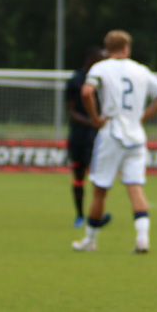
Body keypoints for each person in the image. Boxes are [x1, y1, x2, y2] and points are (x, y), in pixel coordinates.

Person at [71, 30, 157, 253]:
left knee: (100, 189)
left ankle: (90, 239)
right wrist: (143, 116)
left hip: (111, 133)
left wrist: (95, 118)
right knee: (135, 187)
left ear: (107, 49)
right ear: (127, 48)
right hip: (136, 135)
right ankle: (142, 239)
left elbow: (87, 92)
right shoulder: (140, 70)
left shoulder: (101, 68)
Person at [65, 45, 106, 228]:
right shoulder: (76, 80)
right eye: (101, 59)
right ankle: (80, 215)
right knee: (79, 174)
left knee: (99, 176)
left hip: (99, 136)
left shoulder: (104, 80)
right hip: (79, 136)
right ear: (91, 60)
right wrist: (91, 121)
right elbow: (70, 111)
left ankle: (96, 215)